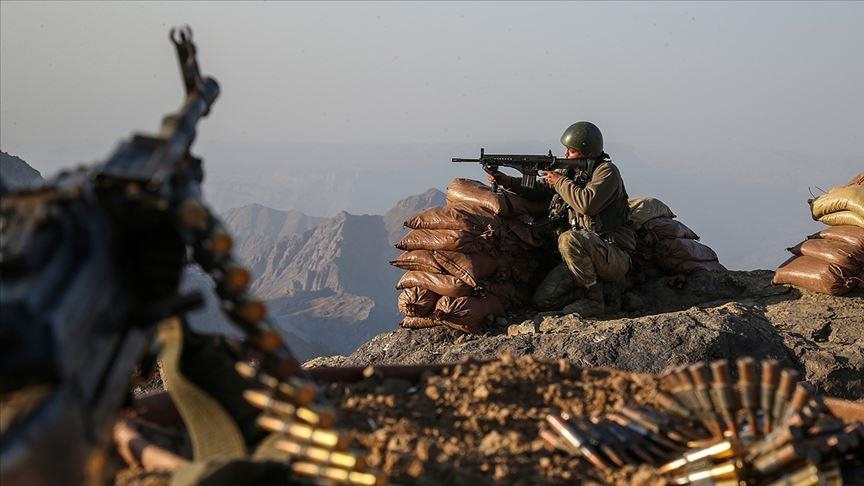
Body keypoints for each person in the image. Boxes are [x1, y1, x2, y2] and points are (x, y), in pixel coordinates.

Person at [487, 121, 635, 315]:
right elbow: (541, 188)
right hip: (580, 256)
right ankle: (606, 292)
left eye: (571, 151)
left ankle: (594, 301)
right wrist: (509, 181)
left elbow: (586, 204)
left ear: (587, 151)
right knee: (543, 300)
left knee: (568, 239)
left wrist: (559, 181)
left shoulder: (606, 172)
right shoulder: (570, 172)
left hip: (612, 253)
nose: (565, 155)